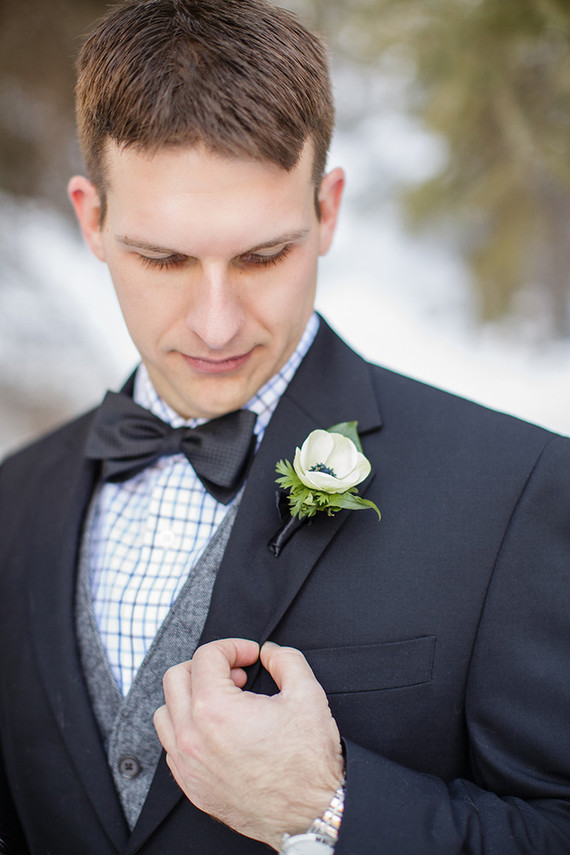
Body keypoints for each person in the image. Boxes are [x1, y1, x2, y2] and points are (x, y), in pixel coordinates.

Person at [1, 0, 569, 853]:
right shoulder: (11, 500)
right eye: (164, 258)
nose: (217, 324)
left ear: (327, 208)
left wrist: (326, 807)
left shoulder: (516, 492)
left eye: (263, 255)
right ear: (91, 219)